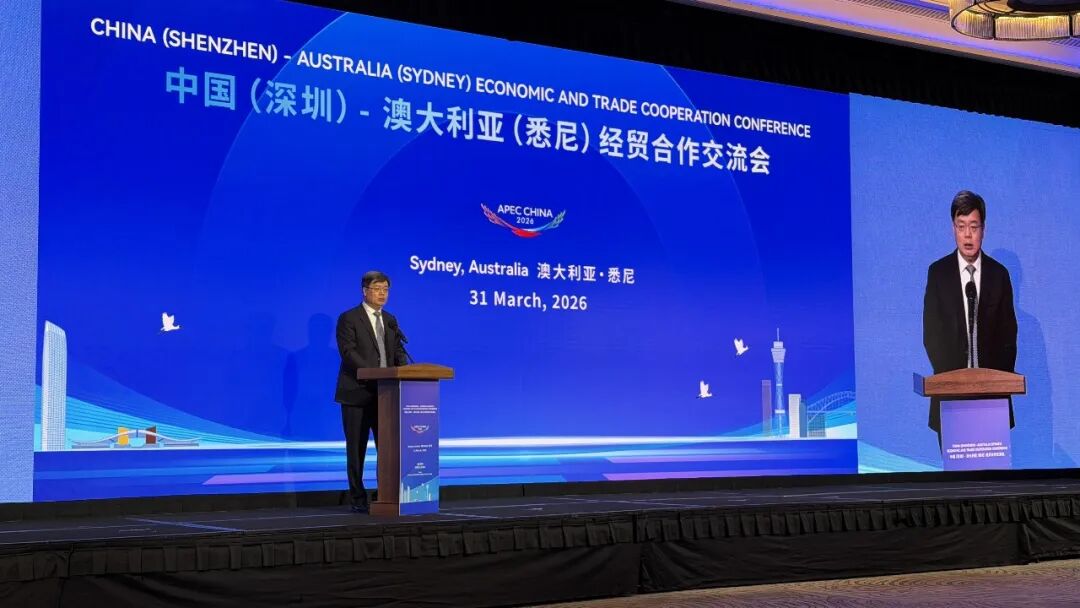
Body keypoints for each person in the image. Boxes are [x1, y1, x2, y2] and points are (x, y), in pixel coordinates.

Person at [922, 190, 1017, 443]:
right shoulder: (938, 274)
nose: (967, 235)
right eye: (961, 226)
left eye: (973, 227)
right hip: (950, 401)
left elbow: (1008, 339)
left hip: (992, 401)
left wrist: (991, 383)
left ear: (983, 229)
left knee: (991, 469)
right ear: (953, 228)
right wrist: (956, 382)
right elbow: (932, 335)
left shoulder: (999, 275)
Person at [334, 271, 408, 513]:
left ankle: (383, 494)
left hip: (386, 396)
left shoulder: (390, 320)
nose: (382, 293)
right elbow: (348, 352)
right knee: (356, 449)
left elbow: (397, 352)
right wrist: (373, 373)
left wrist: (406, 371)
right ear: (364, 291)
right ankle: (357, 497)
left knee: (386, 449)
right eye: (377, 289)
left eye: (386, 289)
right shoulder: (349, 318)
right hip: (357, 394)